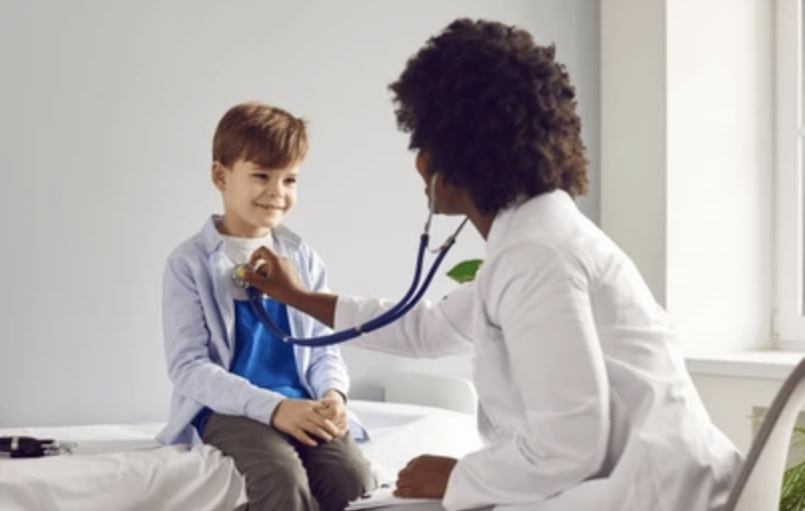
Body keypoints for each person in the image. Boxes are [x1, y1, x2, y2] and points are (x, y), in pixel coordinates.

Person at [240, 19, 743, 511]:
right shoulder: (535, 237)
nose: (418, 160)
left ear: (457, 155)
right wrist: (298, 296)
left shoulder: (537, 254)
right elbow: (427, 329)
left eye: (423, 141)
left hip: (646, 494)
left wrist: (459, 475)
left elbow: (571, 443)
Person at [157, 102, 376, 511]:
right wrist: (274, 408)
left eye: (289, 179)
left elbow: (324, 347)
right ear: (221, 176)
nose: (277, 191)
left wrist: (334, 394)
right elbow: (188, 366)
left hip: (302, 400)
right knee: (281, 477)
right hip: (230, 409)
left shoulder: (304, 258)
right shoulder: (187, 263)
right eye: (261, 175)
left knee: (354, 478)